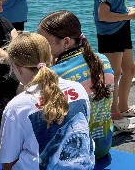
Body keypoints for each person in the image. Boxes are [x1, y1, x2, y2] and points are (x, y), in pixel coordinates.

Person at [0, 33, 94, 170]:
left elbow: (7, 164)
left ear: (17, 68)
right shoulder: (78, 88)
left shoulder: (17, 106)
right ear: (50, 58)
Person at [39, 10, 118, 160]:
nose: (41, 47)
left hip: (77, 155)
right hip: (103, 146)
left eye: (45, 43)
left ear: (66, 42)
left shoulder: (54, 75)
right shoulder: (103, 59)